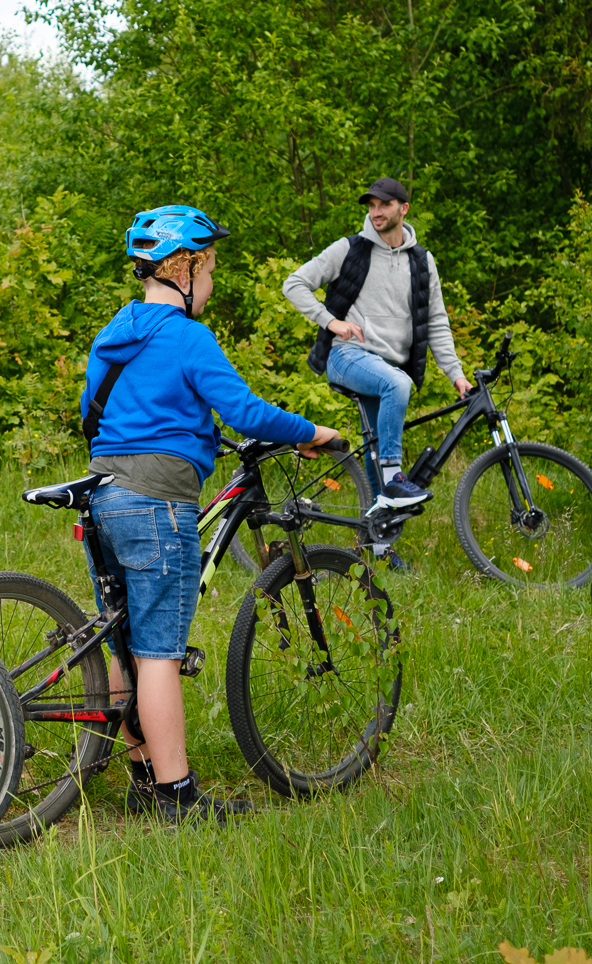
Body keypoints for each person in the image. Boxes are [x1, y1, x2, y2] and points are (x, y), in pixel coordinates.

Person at [81, 204, 340, 826]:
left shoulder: (114, 332)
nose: (213, 282)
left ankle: (144, 777)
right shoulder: (187, 337)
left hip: (104, 493)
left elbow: (95, 412)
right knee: (158, 653)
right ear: (185, 268)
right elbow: (245, 412)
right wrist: (311, 432)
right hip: (157, 502)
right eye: (212, 269)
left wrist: (186, 433)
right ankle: (176, 795)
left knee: (122, 638)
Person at [281, 177, 473, 522]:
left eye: (384, 204)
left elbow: (436, 321)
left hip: (387, 367)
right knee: (397, 385)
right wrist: (330, 321)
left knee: (375, 451)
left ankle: (376, 539)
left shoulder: (422, 261)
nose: (376, 211)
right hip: (347, 356)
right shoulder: (350, 249)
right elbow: (294, 283)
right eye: (371, 205)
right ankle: (395, 479)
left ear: (404, 208)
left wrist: (456, 374)